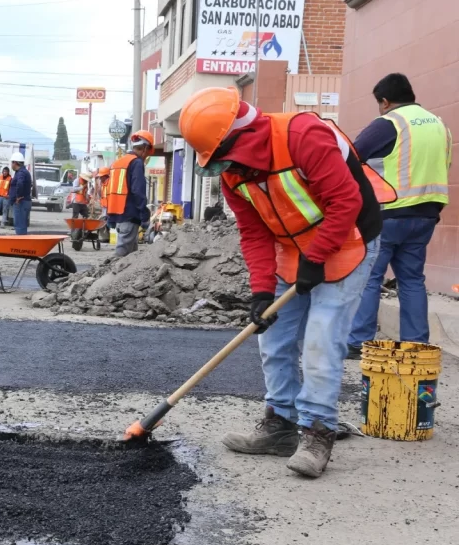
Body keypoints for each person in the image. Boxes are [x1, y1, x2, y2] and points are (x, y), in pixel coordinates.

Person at [179, 86, 386, 479]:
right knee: (271, 336)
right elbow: (254, 234)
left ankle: (317, 431)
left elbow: (346, 201)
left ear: (241, 137)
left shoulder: (302, 136)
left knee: (322, 338)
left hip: (349, 239)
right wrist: (260, 290)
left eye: (222, 156)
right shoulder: (234, 175)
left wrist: (318, 255)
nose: (223, 167)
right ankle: (280, 427)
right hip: (295, 250)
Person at [347, 73, 452, 357]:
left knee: (370, 277)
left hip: (389, 215)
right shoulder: (440, 126)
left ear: (384, 101)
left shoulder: (389, 123)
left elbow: (352, 156)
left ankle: (359, 341)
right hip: (427, 215)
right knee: (412, 280)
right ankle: (415, 344)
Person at [105, 131, 152, 257]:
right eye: (147, 154)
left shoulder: (118, 163)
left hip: (118, 215)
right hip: (130, 215)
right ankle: (110, 275)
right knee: (121, 257)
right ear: (146, 149)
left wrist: (110, 216)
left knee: (131, 257)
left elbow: (109, 190)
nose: (146, 157)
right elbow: (138, 190)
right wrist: (144, 214)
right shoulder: (136, 162)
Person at [8, 152, 33, 235]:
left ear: (15, 162)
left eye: (12, 162)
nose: (11, 165)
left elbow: (20, 184)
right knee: (22, 225)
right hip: (24, 201)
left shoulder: (21, 173)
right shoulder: (23, 172)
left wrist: (18, 196)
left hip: (21, 203)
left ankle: (21, 246)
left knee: (20, 226)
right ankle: (23, 244)